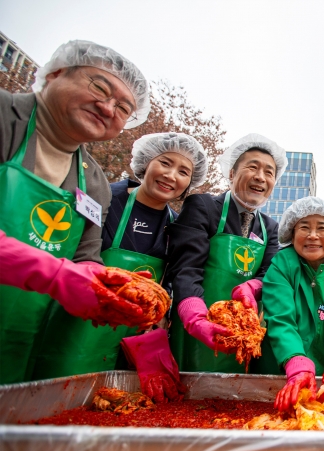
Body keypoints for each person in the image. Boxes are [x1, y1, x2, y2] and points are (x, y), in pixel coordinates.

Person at [0, 40, 150, 384]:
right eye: (99, 86)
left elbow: (86, 254)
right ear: (54, 73)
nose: (108, 107)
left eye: (124, 108)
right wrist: (55, 276)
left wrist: (110, 290)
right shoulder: (4, 116)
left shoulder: (94, 182)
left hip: (21, 336)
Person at [31, 134, 208, 402]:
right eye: (165, 163)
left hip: (132, 335)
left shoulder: (176, 225)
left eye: (183, 172)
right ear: (146, 163)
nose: (171, 176)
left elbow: (172, 277)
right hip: (79, 322)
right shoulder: (104, 198)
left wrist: (161, 317)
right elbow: (75, 251)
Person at [167, 133, 285, 372]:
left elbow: (270, 274)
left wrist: (253, 287)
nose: (260, 177)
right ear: (231, 173)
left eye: (269, 172)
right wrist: (194, 315)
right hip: (197, 329)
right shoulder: (204, 207)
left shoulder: (270, 228)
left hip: (243, 333)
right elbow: (186, 268)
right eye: (252, 167)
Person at [251, 197, 324, 411]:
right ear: (292, 235)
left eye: (322, 228)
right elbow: (280, 320)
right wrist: (296, 363)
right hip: (280, 377)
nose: (313, 235)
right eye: (304, 227)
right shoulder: (281, 265)